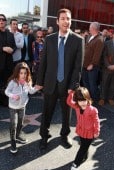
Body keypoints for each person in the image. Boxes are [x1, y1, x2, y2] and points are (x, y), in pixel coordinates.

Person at [36, 8, 84, 150]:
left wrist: (73, 85)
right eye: (63, 18)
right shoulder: (49, 39)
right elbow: (43, 61)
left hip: (68, 85)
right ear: (57, 21)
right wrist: (39, 82)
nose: (66, 21)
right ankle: (44, 136)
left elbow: (78, 67)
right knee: (47, 112)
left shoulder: (78, 40)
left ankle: (64, 135)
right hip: (50, 83)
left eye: (68, 18)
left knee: (66, 114)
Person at [5, 62, 40, 154]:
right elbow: (6, 91)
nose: (23, 75)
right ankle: (13, 142)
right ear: (17, 73)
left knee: (20, 123)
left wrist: (36, 88)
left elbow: (31, 92)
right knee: (14, 124)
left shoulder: (27, 82)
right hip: (13, 107)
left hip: (22, 106)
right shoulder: (13, 82)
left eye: (25, 73)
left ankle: (18, 135)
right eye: (21, 73)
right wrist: (12, 96)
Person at [67, 86, 100, 170]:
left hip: (90, 133)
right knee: (84, 145)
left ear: (88, 98)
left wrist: (97, 131)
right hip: (81, 131)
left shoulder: (93, 110)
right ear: (77, 101)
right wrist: (71, 93)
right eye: (80, 101)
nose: (83, 103)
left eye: (84, 100)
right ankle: (85, 156)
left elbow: (97, 121)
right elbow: (69, 102)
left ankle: (76, 164)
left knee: (82, 148)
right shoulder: (77, 107)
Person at [82, 22, 104, 102]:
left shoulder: (100, 39)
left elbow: (97, 54)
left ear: (94, 29)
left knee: (92, 84)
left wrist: (92, 64)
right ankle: (88, 97)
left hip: (92, 67)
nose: (89, 29)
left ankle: (95, 99)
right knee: (86, 83)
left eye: (90, 27)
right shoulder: (90, 36)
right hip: (85, 65)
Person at [98, 29, 114, 106]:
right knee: (104, 83)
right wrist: (108, 66)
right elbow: (104, 56)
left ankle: (110, 98)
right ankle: (102, 98)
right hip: (107, 68)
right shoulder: (107, 43)